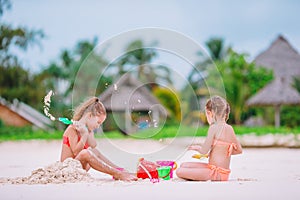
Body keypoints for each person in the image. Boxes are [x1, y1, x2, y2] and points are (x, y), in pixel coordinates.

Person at [60, 97, 137, 181]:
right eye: (98, 122)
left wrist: (88, 132)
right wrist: (84, 134)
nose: (98, 126)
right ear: (89, 116)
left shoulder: (88, 130)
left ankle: (119, 170)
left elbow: (93, 145)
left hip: (80, 168)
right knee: (85, 153)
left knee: (94, 151)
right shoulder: (72, 129)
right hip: (68, 169)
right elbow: (76, 151)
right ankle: (117, 173)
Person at [176, 96, 242, 181]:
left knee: (179, 171)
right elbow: (239, 150)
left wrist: (197, 148)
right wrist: (222, 150)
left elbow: (204, 151)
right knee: (184, 165)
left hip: (216, 173)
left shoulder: (213, 128)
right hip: (222, 172)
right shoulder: (229, 128)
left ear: (210, 113)